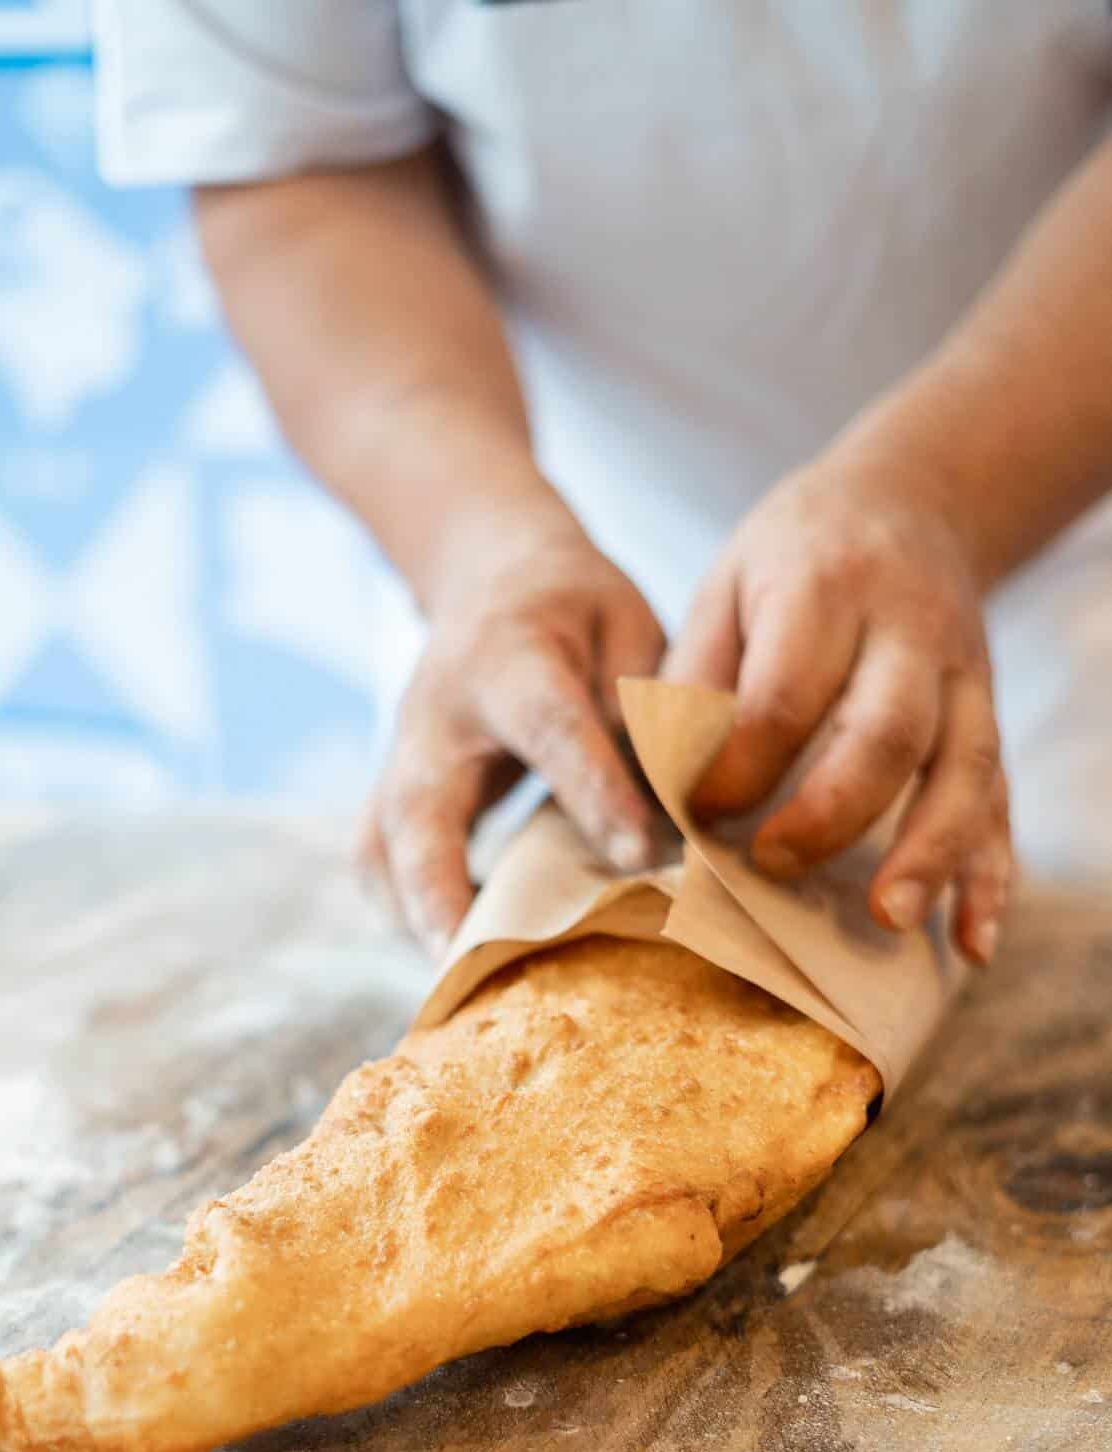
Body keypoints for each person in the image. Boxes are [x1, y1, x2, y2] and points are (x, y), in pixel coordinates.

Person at [96, 2, 1112, 964]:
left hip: (1067, 531)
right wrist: (480, 543)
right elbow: (300, 171)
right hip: (548, 560)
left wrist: (943, 488)